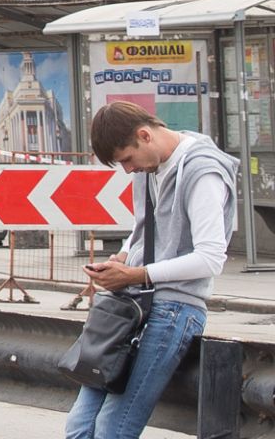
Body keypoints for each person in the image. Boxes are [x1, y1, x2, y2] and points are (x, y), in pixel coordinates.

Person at [65, 101, 237, 439]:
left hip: (173, 310)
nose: (128, 170)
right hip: (132, 306)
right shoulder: (152, 166)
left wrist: (137, 274)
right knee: (79, 427)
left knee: (112, 429)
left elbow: (211, 257)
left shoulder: (203, 171)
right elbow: (145, 227)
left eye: (127, 159)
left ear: (145, 135)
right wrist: (125, 255)